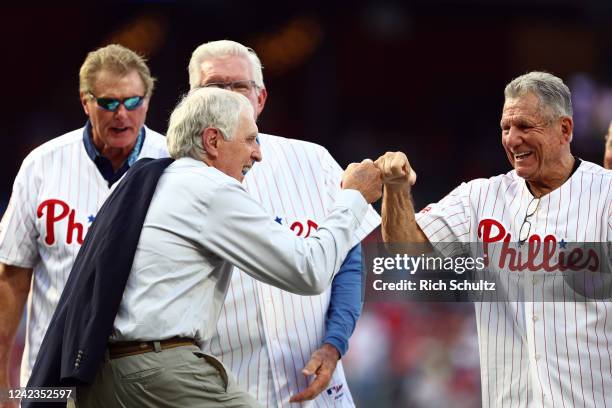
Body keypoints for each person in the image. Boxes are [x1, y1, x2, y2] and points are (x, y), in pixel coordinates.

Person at [27, 87, 382, 408]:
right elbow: (308, 270)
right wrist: (352, 197)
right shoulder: (209, 187)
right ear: (212, 140)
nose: (258, 154)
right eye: (250, 140)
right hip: (157, 371)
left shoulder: (152, 180)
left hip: (96, 378)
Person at [377, 71, 612, 407]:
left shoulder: (604, 194)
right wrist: (396, 189)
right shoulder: (480, 197)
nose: (513, 139)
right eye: (506, 128)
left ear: (565, 130)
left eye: (525, 127)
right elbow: (406, 249)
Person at [188, 40, 381, 406]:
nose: (229, 98)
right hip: (221, 388)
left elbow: (348, 263)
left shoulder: (313, 160)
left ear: (260, 99)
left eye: (239, 87)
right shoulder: (168, 178)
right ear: (192, 102)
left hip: (316, 388)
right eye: (215, 87)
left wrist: (334, 343)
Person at [0, 44, 168, 393]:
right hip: (52, 375)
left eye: (133, 101)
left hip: (144, 377)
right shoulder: (42, 165)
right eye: (108, 103)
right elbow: (12, 277)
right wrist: (3, 384)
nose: (122, 114)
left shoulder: (174, 164)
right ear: (85, 102)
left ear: (148, 101)